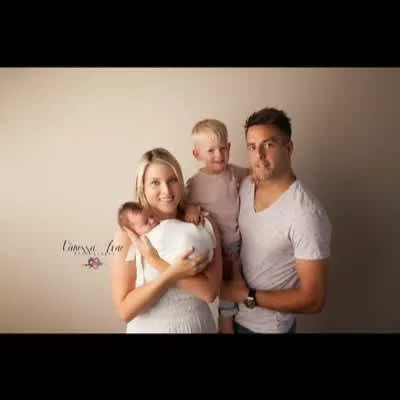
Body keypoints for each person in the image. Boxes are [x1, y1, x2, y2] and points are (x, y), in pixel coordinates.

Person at [219, 107, 332, 334]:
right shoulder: (246, 185)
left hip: (268, 329)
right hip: (230, 319)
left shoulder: (306, 214)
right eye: (252, 147)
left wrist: (246, 295)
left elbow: (314, 300)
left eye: (268, 145)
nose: (258, 156)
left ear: (288, 148)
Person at [109, 147, 222, 333]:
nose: (166, 190)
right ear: (142, 187)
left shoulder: (203, 224)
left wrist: (156, 262)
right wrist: (171, 274)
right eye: (155, 182)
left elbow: (209, 293)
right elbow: (125, 311)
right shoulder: (128, 234)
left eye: (172, 180)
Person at [185, 118, 249, 333]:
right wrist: (190, 209)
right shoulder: (194, 183)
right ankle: (226, 322)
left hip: (236, 241)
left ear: (229, 147)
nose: (219, 155)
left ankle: (231, 316)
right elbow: (183, 205)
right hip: (214, 245)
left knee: (237, 281)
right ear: (197, 154)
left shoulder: (234, 173)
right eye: (211, 151)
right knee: (226, 282)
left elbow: (254, 174)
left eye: (223, 148)